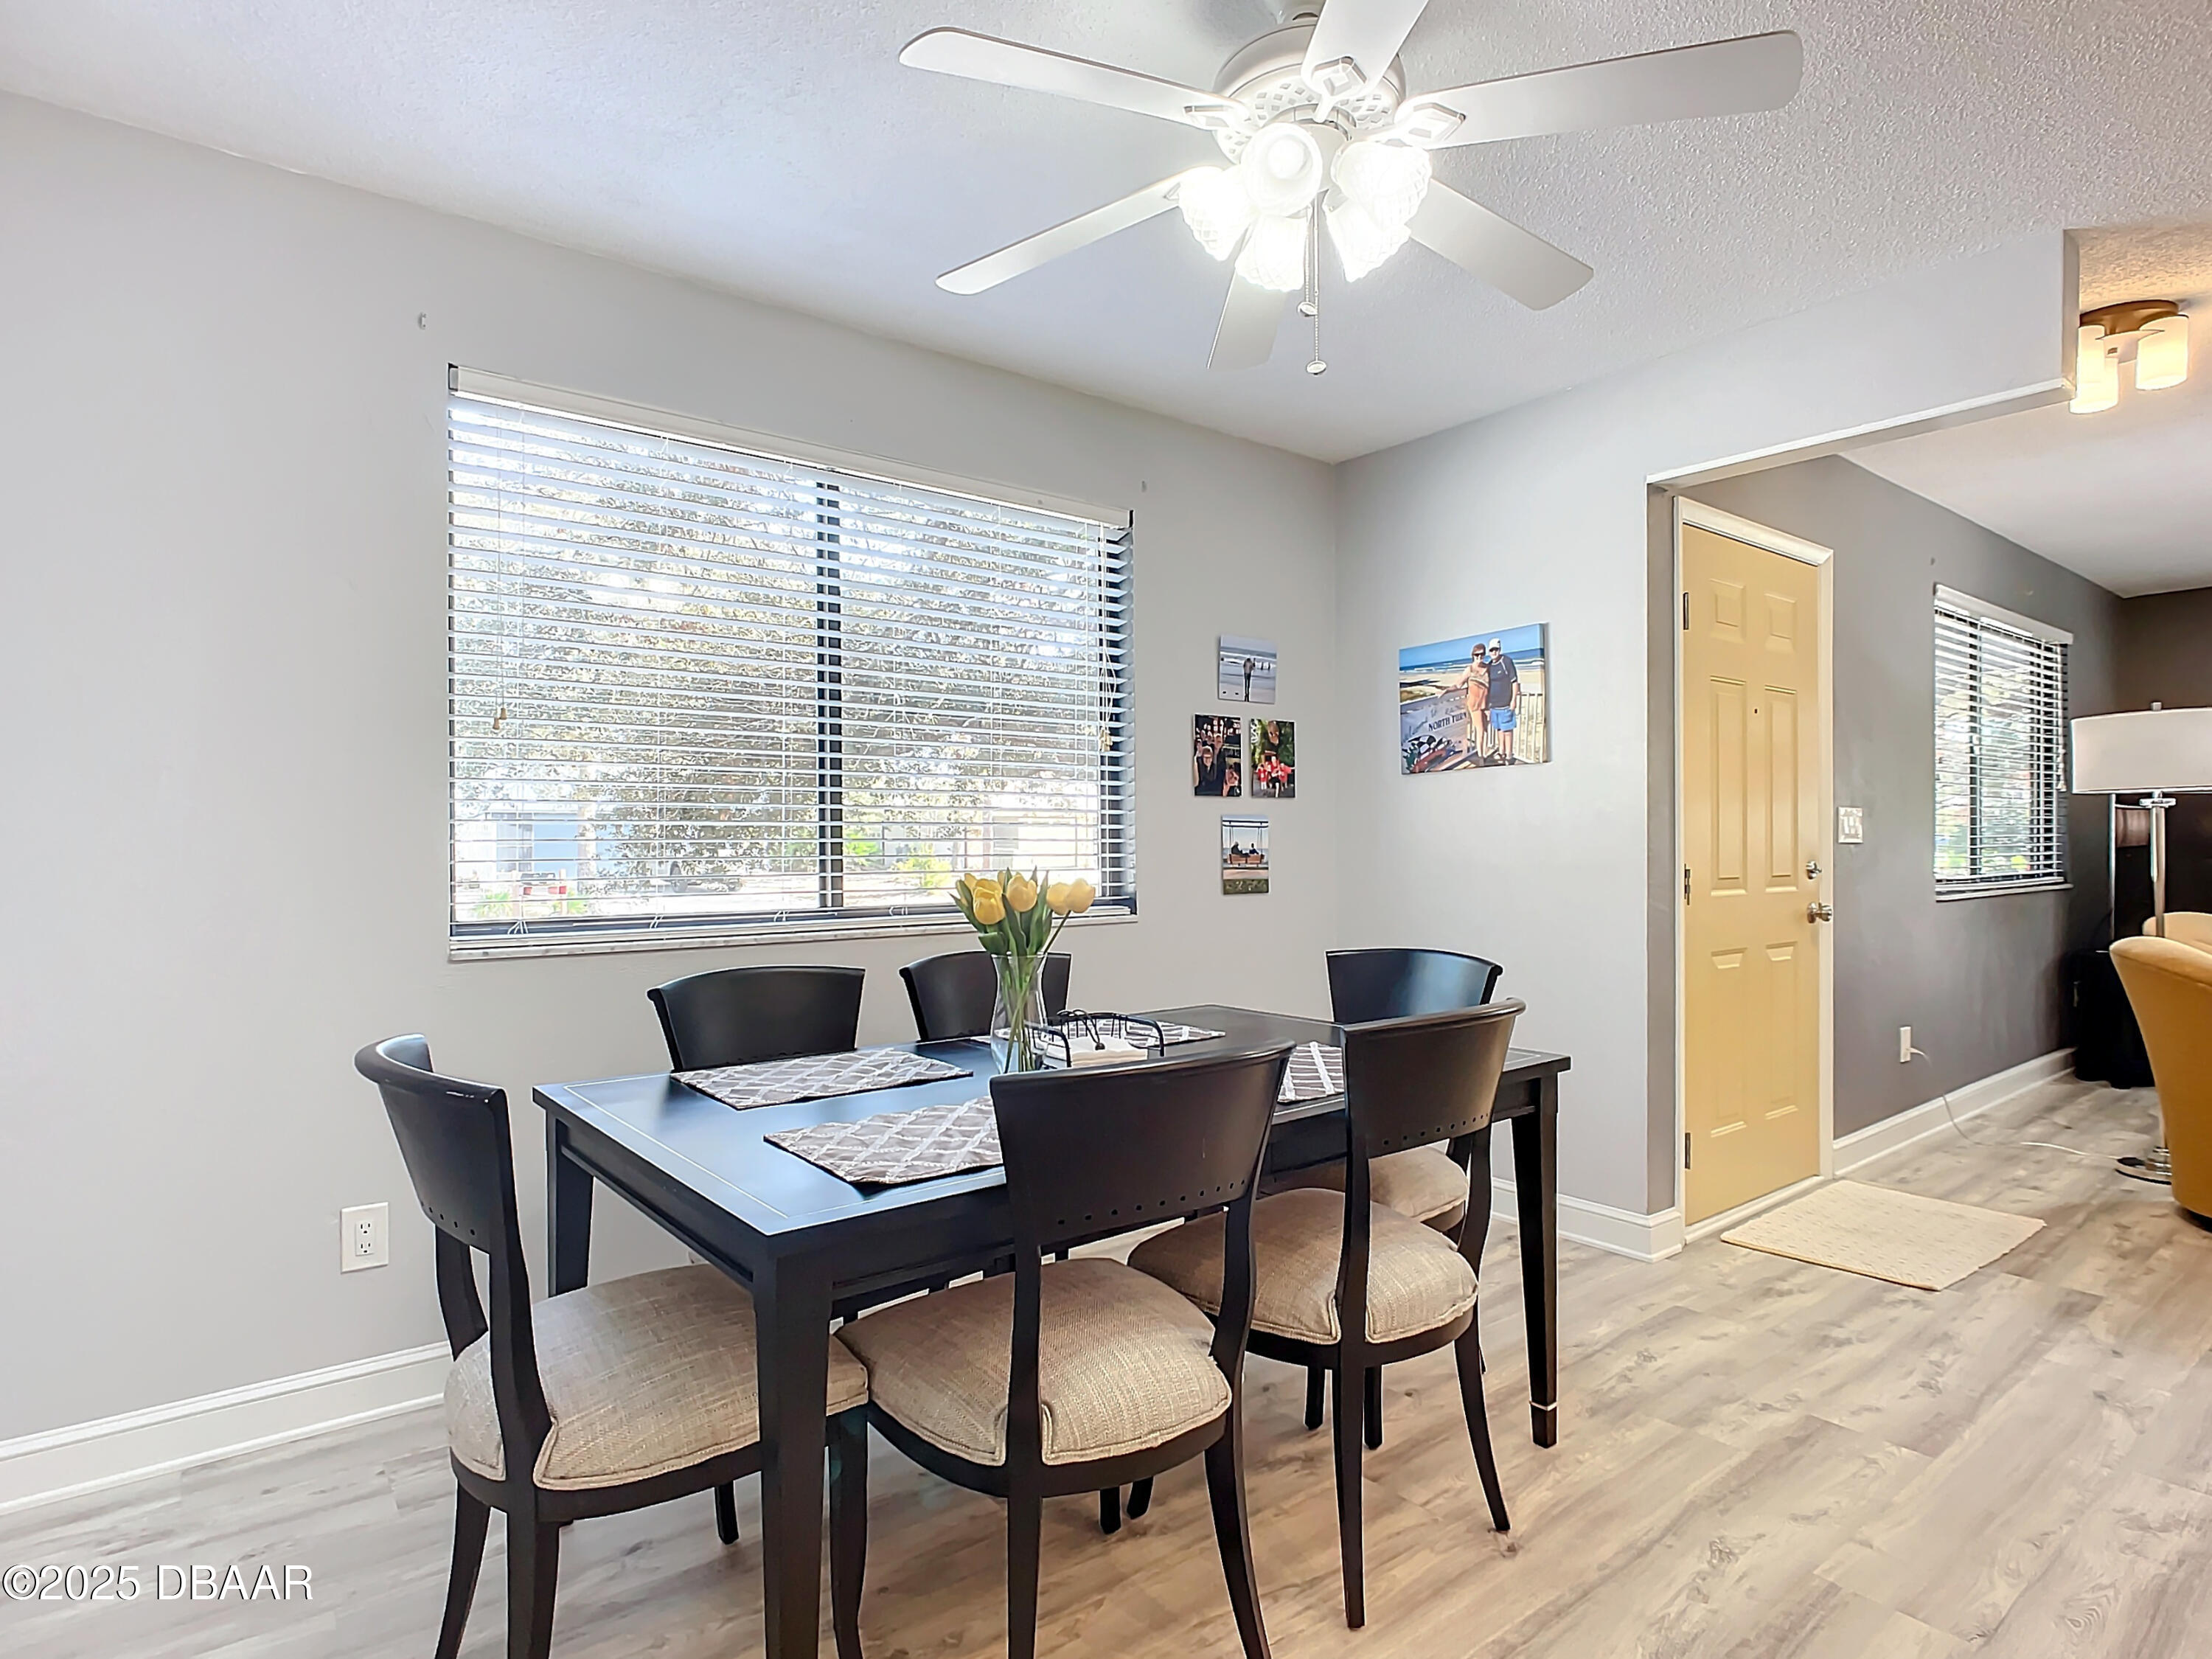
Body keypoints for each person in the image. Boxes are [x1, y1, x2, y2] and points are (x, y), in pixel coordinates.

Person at [1484, 639, 1520, 763]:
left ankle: (1509, 756)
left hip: (1506, 705)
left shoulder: (1507, 661)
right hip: (1494, 706)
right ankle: (1501, 752)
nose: (1494, 652)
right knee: (1499, 730)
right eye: (1491, 650)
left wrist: (1514, 700)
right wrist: (1488, 707)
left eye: (1496, 649)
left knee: (1507, 731)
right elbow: (1488, 687)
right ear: (1489, 652)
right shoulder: (1489, 666)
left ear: (1500, 650)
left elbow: (1514, 682)